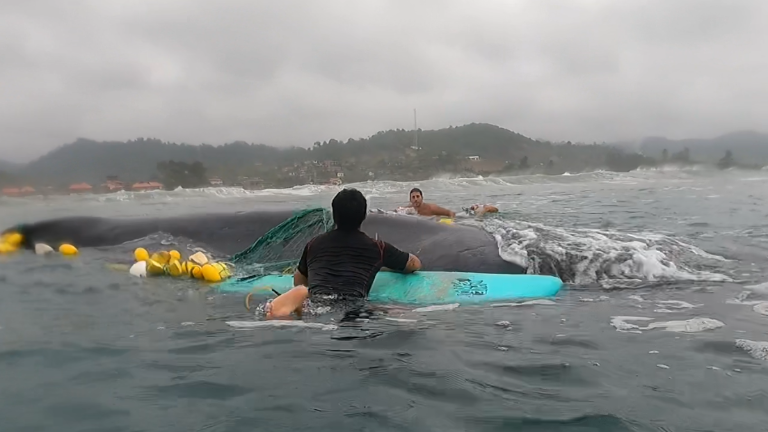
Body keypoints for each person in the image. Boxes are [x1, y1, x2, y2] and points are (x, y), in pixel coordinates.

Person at [264, 188, 422, 319]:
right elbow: (414, 264)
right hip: (354, 310)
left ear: (334, 215)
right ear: (364, 216)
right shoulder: (377, 248)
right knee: (404, 314)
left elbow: (299, 282)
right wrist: (384, 265)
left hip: (315, 308)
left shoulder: (314, 244)